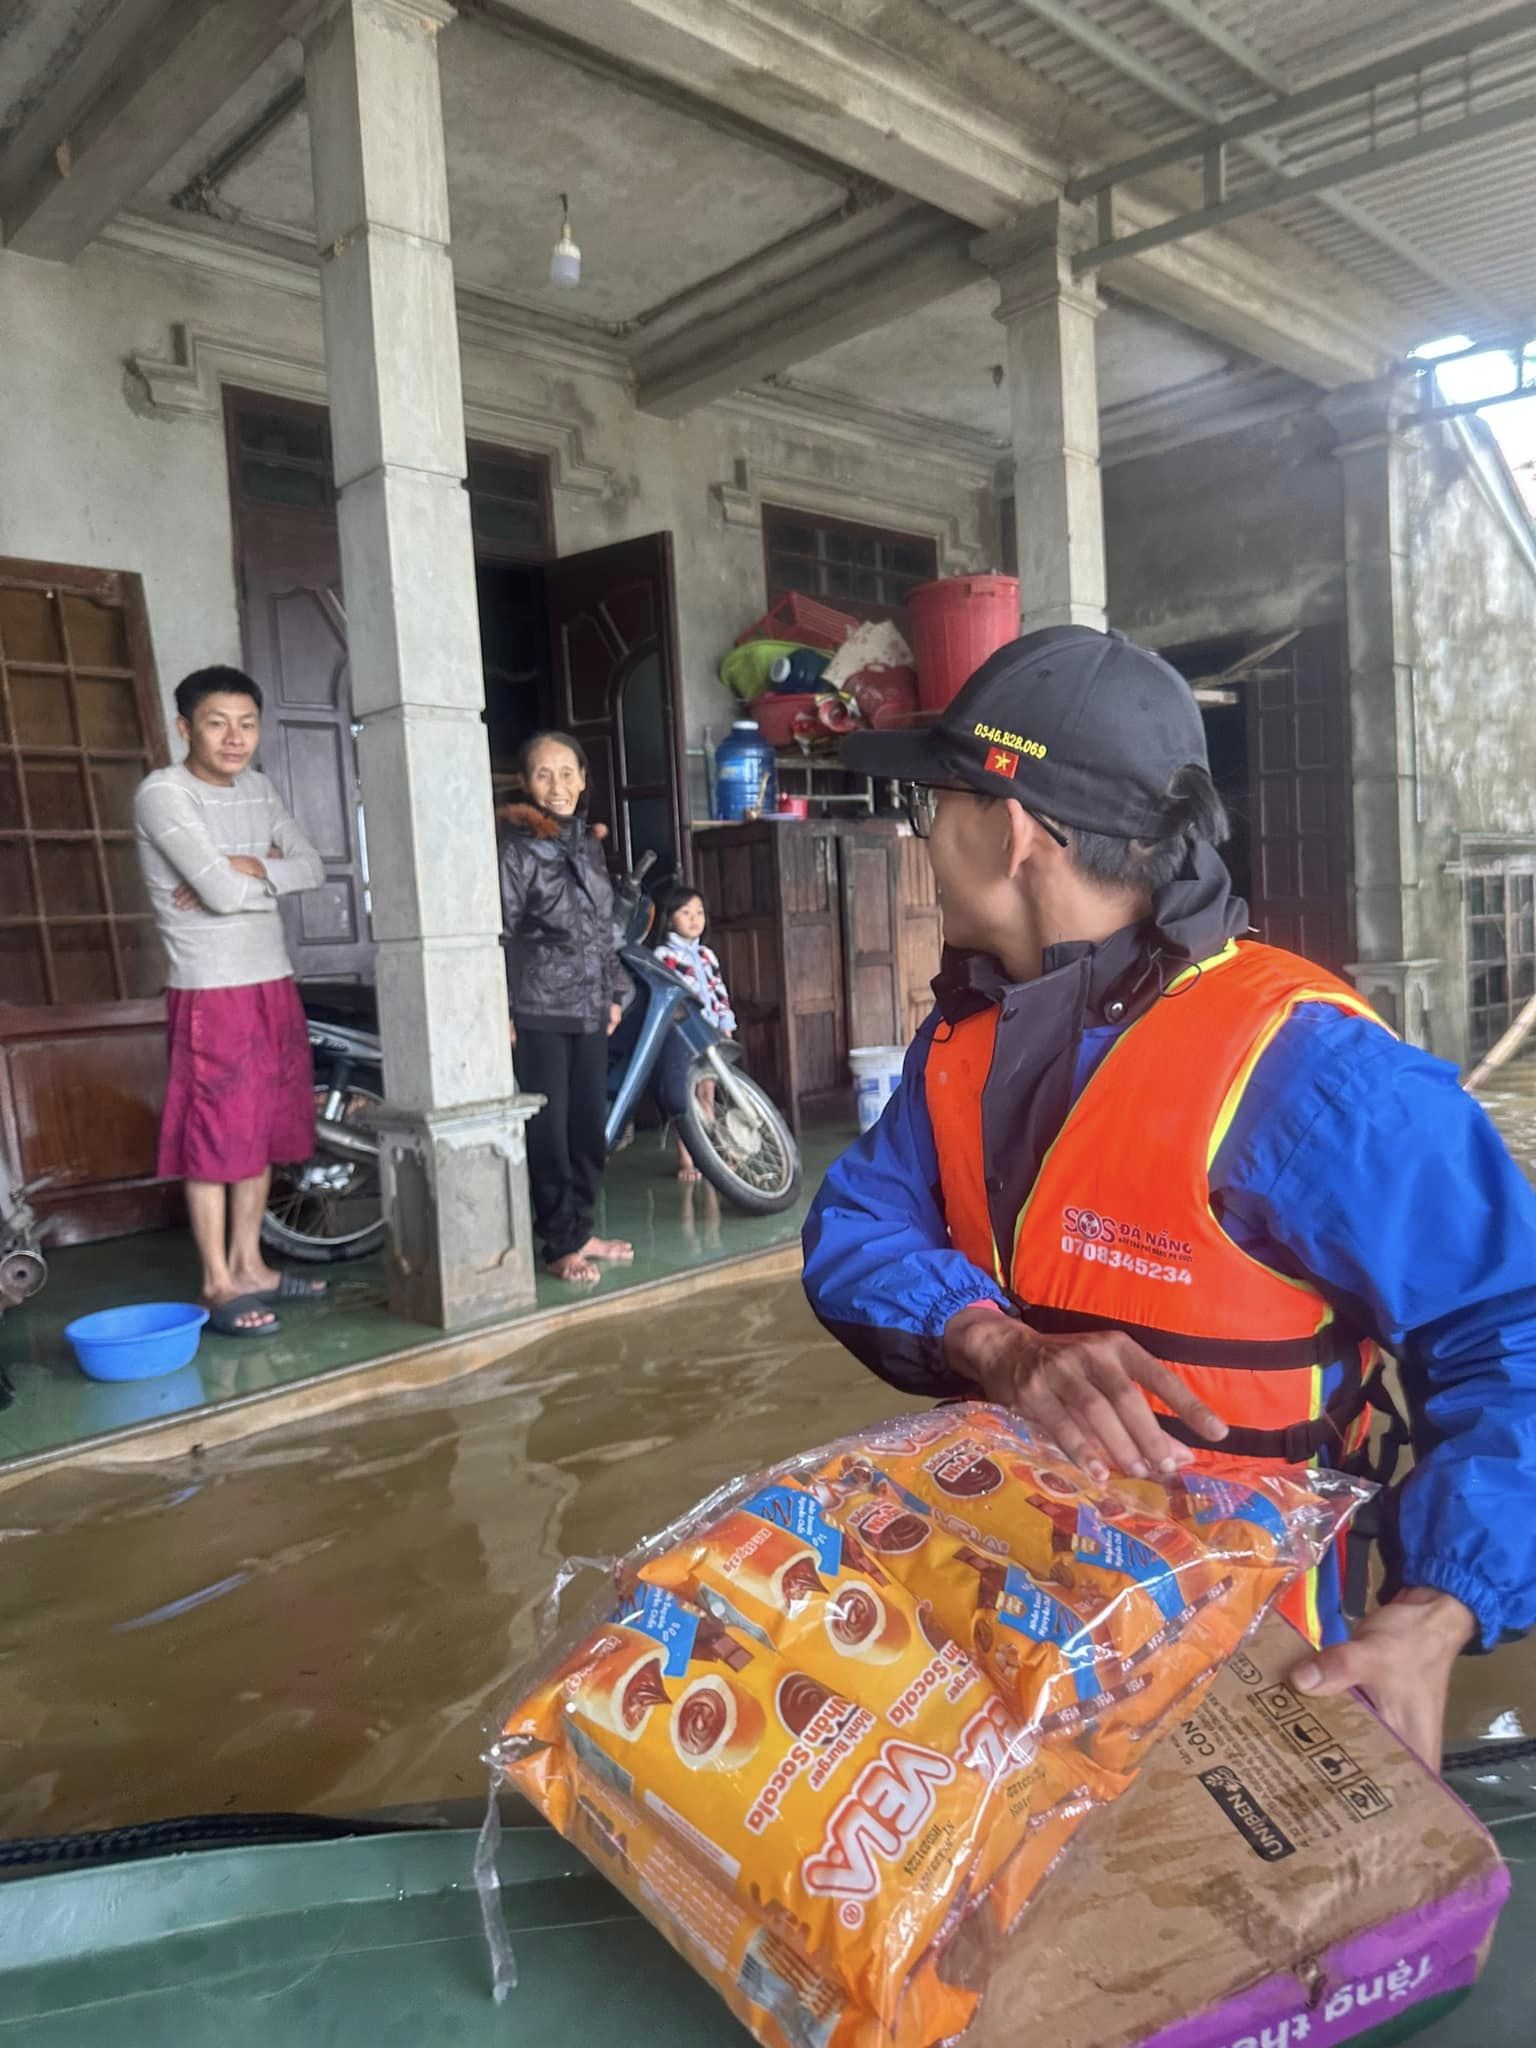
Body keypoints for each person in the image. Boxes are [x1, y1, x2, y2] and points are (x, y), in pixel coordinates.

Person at [802, 625, 1536, 1769]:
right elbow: (854, 1225)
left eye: (927, 808)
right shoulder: (966, 1036)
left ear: (1010, 829)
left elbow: (1514, 1332)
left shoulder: (1312, 1075)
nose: (919, 842)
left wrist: (1436, 1614)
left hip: (1255, 1675)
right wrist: (993, 1339)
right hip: (1015, 1629)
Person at [135, 666, 327, 1338]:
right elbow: (213, 895)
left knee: (264, 1125)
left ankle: (253, 1266)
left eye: (247, 723)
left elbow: (314, 867)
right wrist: (252, 873)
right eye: (217, 722)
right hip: (209, 989)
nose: (234, 737)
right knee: (216, 1133)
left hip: (270, 978)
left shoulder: (260, 787)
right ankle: (217, 1282)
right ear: (184, 726)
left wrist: (247, 867)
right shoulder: (162, 794)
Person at [499, 732, 632, 1285]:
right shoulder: (515, 849)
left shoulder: (587, 845)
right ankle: (559, 1243)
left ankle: (580, 1229)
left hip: (589, 1006)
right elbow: (498, 930)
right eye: (543, 774)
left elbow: (601, 930)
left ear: (583, 779)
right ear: (527, 784)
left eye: (567, 773)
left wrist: (614, 992)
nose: (557, 786)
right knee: (550, 1132)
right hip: (537, 1007)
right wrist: (500, 1006)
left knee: (587, 1129)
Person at [651, 883, 737, 1181]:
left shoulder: (706, 955)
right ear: (669, 918)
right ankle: (687, 1160)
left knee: (707, 1091)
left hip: (710, 1032)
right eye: (685, 912)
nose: (694, 918)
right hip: (683, 1034)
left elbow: (719, 991)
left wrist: (725, 1024)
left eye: (699, 912)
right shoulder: (664, 955)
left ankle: (709, 1155)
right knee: (684, 1095)